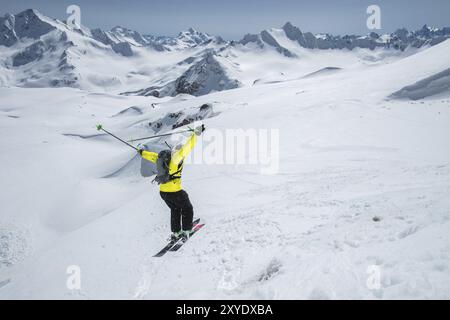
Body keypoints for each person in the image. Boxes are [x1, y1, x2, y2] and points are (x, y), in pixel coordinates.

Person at [139, 125, 205, 242]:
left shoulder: (163, 159)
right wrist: (197, 134)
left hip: (163, 192)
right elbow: (189, 146)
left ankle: (176, 232)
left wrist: (142, 152)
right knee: (187, 208)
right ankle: (186, 230)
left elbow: (152, 156)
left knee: (175, 210)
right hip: (175, 191)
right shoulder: (177, 158)